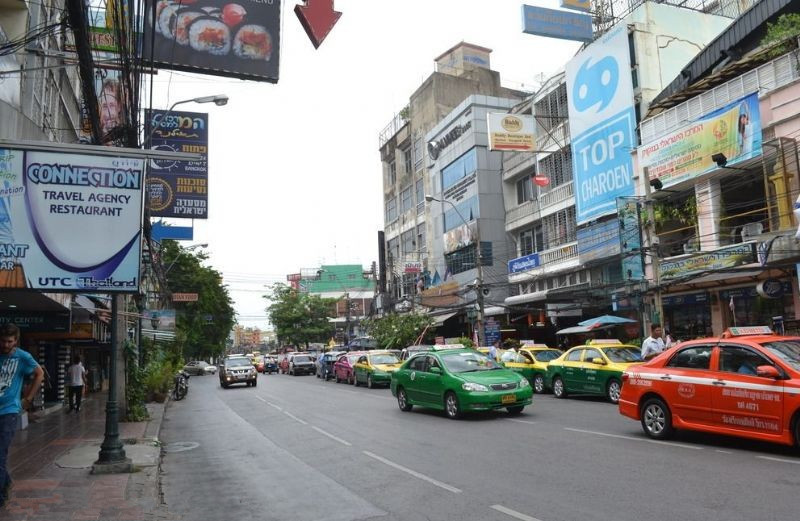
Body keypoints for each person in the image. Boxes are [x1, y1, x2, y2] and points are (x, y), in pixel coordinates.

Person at [0, 324, 44, 508]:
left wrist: (28, 398)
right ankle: (6, 481)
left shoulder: (22, 357)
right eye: (2, 341)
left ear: (16, 341)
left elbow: (39, 373)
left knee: (0, 453)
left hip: (9, 411)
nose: (5, 345)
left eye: (9, 341)